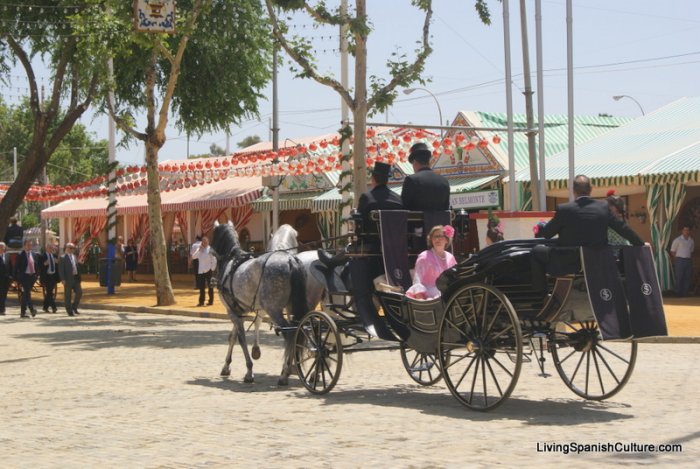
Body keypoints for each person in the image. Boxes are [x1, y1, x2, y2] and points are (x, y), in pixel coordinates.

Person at [537, 175, 644, 247]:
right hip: (596, 262)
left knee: (537, 252)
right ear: (591, 189)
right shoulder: (603, 207)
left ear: (573, 191)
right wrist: (640, 243)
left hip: (569, 263)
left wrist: (540, 228)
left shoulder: (563, 209)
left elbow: (547, 234)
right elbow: (622, 228)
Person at [406, 225, 457, 300]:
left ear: (446, 240)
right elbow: (417, 279)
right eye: (435, 237)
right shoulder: (424, 256)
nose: (437, 239)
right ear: (431, 240)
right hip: (428, 296)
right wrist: (421, 300)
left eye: (440, 236)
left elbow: (455, 277)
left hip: (446, 295)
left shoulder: (450, 257)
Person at [401, 142, 450, 211]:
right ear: (428, 161)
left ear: (414, 162)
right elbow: (446, 208)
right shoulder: (444, 181)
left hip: (417, 221)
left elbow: (404, 208)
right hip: (439, 221)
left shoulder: (411, 180)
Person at [357, 161, 404, 229]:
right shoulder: (398, 199)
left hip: (372, 238)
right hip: (395, 238)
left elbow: (359, 221)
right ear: (387, 180)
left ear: (373, 179)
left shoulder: (366, 198)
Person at [14, 238, 40, 318]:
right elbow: (16, 267)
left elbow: (37, 266)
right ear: (24, 246)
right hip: (24, 276)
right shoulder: (20, 255)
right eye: (28, 245)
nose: (30, 246)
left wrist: (37, 275)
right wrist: (15, 279)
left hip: (32, 277)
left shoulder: (34, 254)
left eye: (31, 245)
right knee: (27, 293)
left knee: (25, 294)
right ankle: (32, 310)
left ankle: (23, 312)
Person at [191, 236, 217, 306]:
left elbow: (214, 259)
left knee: (210, 286)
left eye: (206, 241)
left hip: (209, 270)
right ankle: (201, 302)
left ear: (208, 242)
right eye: (203, 241)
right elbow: (193, 257)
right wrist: (198, 250)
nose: (204, 243)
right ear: (202, 242)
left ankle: (210, 301)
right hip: (201, 270)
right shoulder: (199, 249)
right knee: (201, 287)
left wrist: (212, 268)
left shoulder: (210, 249)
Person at [670, 225, 695, 297]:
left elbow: (691, 251)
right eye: (685, 230)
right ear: (682, 231)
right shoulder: (677, 240)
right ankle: (677, 293)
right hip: (680, 260)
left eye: (687, 230)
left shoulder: (691, 240)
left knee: (687, 277)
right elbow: (672, 251)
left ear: (689, 231)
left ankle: (685, 293)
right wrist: (677, 259)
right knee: (679, 276)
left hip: (688, 260)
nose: (686, 231)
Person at [59, 243, 82, 316]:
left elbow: (75, 266)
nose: (73, 249)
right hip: (68, 279)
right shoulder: (62, 258)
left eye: (73, 248)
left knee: (79, 292)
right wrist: (63, 279)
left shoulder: (74, 256)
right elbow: (61, 270)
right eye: (71, 248)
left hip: (75, 278)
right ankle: (69, 311)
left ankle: (74, 307)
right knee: (68, 295)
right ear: (67, 248)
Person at [40, 243, 60, 314]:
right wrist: (44, 264)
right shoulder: (43, 256)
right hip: (47, 276)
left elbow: (57, 265)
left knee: (49, 292)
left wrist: (57, 262)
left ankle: (45, 307)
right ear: (46, 248)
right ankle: (54, 307)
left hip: (53, 276)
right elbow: (39, 267)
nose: (51, 249)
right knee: (49, 292)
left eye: (52, 248)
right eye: (49, 248)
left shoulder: (54, 256)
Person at [0, 242, 11, 315]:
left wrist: (11, 276)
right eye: (0, 247)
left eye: (2, 247)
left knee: (4, 294)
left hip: (6, 279)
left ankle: (2, 308)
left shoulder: (7, 256)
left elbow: (10, 266)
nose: (1, 248)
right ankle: (2, 309)